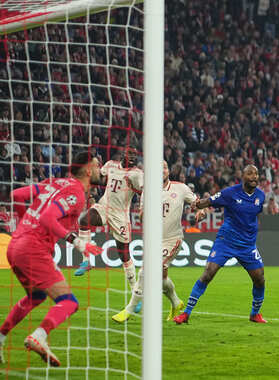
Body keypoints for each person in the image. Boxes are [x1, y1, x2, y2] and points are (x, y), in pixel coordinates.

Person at [0, 152, 102, 366]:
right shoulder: (76, 192)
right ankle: (39, 336)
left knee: (35, 296)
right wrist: (78, 242)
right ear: (89, 170)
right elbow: (48, 218)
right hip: (33, 249)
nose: (101, 171)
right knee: (68, 302)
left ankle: (0, 337)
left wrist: (24, 224)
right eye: (98, 166)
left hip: (16, 244)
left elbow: (17, 195)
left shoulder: (53, 183)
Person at [112, 161, 205, 323]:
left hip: (172, 239)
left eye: (164, 167)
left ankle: (130, 308)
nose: (161, 170)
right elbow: (142, 217)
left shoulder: (180, 188)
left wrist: (201, 211)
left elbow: (197, 203)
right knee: (161, 278)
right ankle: (176, 302)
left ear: (169, 171)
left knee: (144, 271)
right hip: (153, 241)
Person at [174, 165, 267, 324]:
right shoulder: (230, 193)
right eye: (250, 173)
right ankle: (186, 313)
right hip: (226, 241)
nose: (254, 177)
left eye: (256, 174)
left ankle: (254, 314)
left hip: (248, 246)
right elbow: (208, 201)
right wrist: (200, 209)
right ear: (242, 177)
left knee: (260, 279)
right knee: (208, 273)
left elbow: (253, 216)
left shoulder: (261, 196)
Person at [75, 149, 143, 310]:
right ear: (124, 155)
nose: (132, 157)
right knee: (84, 220)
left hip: (121, 216)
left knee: (124, 255)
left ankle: (136, 295)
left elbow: (144, 191)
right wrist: (91, 194)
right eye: (130, 154)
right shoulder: (111, 165)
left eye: (135, 155)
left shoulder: (137, 174)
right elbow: (97, 178)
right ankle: (86, 261)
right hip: (104, 207)